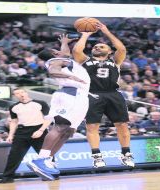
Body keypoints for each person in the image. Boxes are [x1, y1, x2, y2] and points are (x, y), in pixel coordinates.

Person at [27, 34, 90, 181]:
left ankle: (47, 160)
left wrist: (64, 43)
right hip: (70, 95)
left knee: (68, 131)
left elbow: (65, 53)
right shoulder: (55, 61)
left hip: (79, 97)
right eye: (57, 49)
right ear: (55, 54)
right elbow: (54, 70)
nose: (62, 50)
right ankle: (40, 159)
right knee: (61, 127)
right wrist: (70, 77)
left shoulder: (62, 58)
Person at [72, 22, 134, 168]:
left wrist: (106, 31)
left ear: (109, 51)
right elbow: (76, 50)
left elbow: (122, 48)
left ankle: (126, 154)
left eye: (102, 46)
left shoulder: (115, 61)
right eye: (95, 46)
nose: (97, 47)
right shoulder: (85, 61)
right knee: (92, 126)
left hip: (113, 94)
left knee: (122, 125)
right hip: (92, 94)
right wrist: (85, 35)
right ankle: (97, 156)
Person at [0, 88, 50, 183]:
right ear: (15, 96)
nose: (20, 94)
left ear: (26, 93)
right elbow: (14, 121)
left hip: (39, 130)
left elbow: (48, 118)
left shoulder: (40, 103)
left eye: (22, 92)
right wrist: (11, 135)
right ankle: (7, 177)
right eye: (17, 93)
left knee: (45, 154)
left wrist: (41, 130)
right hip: (22, 132)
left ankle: (52, 174)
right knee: (14, 155)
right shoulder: (13, 107)